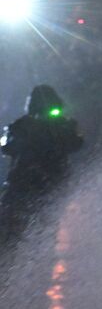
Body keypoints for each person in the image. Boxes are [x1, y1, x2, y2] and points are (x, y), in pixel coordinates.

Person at [1, 85, 84, 232]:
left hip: (25, 182)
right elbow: (76, 144)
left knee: (12, 224)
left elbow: (8, 148)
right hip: (51, 180)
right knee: (45, 225)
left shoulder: (23, 125)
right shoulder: (63, 124)